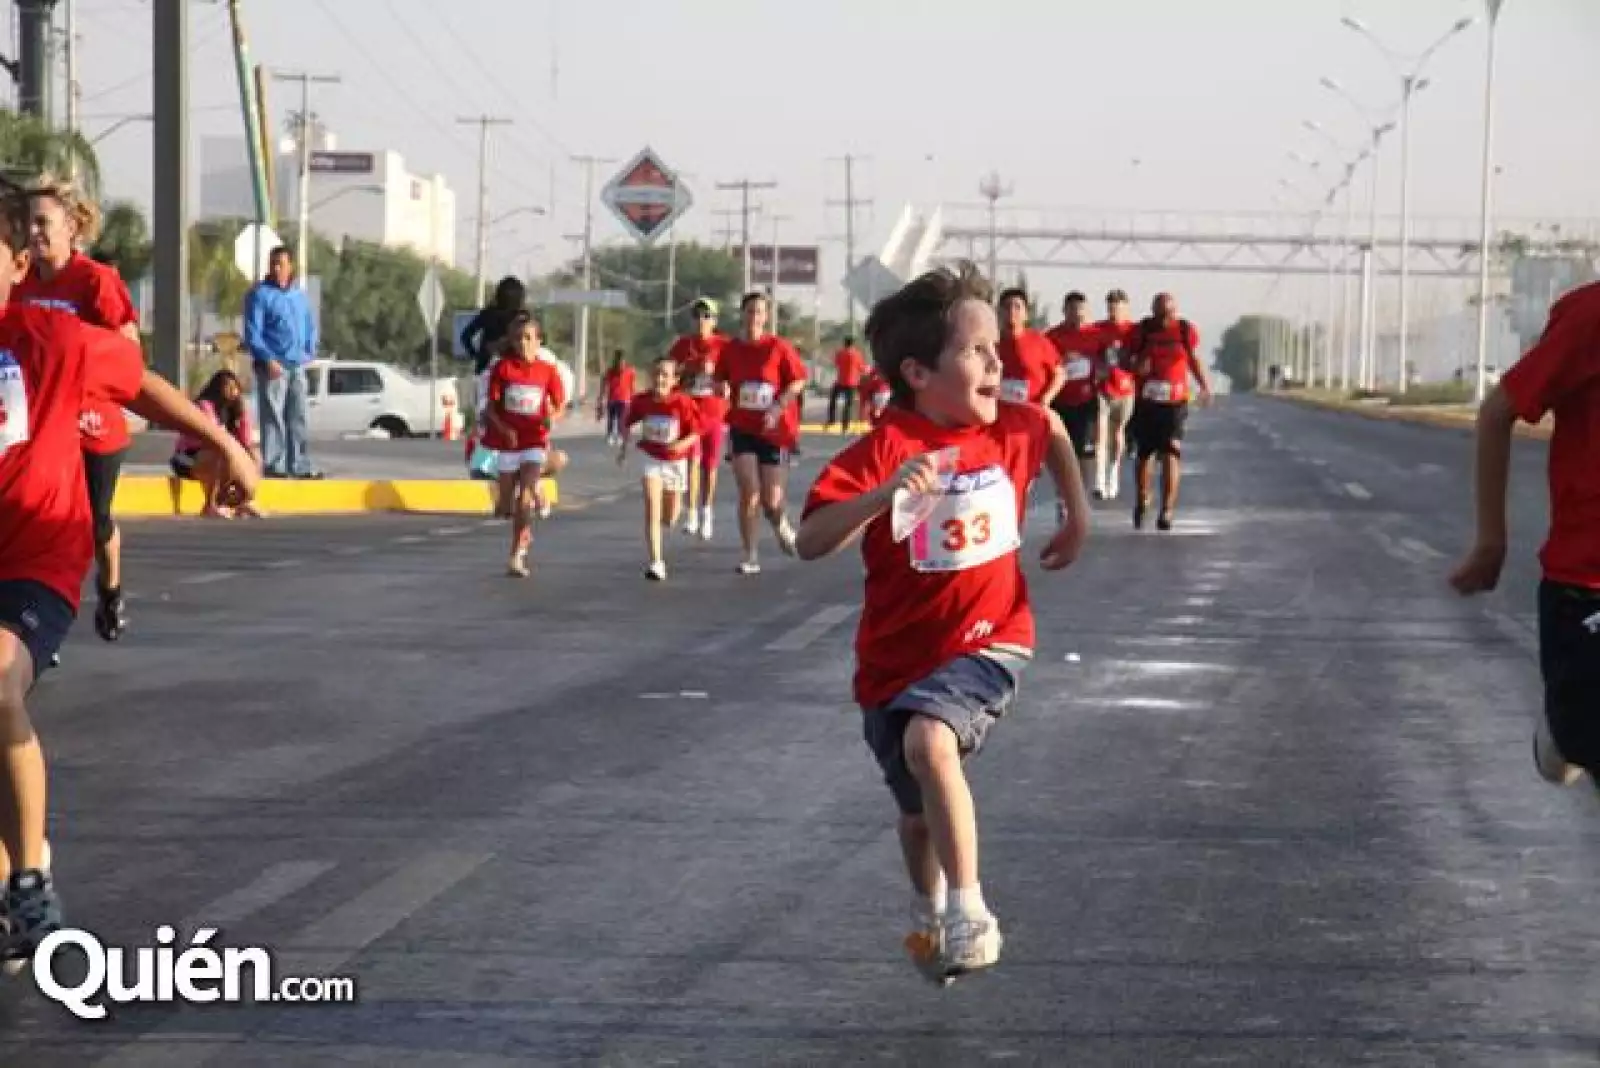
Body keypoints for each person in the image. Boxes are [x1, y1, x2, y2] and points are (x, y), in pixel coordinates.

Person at [796, 262, 1089, 983]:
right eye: (976, 351)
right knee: (917, 812)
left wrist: (1076, 514)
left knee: (932, 743)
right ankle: (929, 915)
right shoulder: (884, 451)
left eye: (997, 348)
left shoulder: (1012, 427)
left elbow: (1051, 426)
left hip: (991, 640)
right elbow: (808, 540)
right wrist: (882, 496)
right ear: (919, 372)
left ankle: (971, 911)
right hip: (894, 661)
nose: (999, 362)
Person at [0, 195, 260, 970]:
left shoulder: (51, 337)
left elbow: (142, 381)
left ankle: (31, 886)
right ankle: (20, 860)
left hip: (34, 560)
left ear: (17, 268)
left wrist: (225, 446)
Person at [1451, 281, 1600, 788]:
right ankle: (1568, 724)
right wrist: (1491, 541)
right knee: (1583, 727)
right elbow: (1498, 411)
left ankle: (1570, 724)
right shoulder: (1590, 316)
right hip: (1586, 587)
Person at [12, 175, 142, 644]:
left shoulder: (95, 281)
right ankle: (36, 627)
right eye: (29, 223)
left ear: (72, 227)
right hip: (43, 426)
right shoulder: (18, 280)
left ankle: (111, 591)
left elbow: (129, 357)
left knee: (94, 523)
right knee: (43, 531)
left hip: (94, 426)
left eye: (44, 222)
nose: (35, 232)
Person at [715, 292, 806, 575]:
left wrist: (779, 406)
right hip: (743, 426)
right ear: (742, 314)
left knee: (772, 500)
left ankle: (780, 524)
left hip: (773, 429)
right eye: (750, 311)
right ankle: (750, 554)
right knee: (749, 491)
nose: (754, 316)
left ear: (766, 317)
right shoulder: (731, 349)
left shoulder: (778, 347)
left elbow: (798, 381)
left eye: (759, 312)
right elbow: (720, 377)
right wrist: (722, 388)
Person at [480, 314, 568, 577]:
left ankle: (517, 554)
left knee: (524, 499)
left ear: (539, 341)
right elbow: (491, 409)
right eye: (518, 338)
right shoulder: (503, 369)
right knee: (505, 508)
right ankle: (529, 492)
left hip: (534, 440)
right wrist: (504, 428)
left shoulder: (547, 371)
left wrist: (551, 418)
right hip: (509, 444)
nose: (524, 343)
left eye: (529, 338)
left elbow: (560, 404)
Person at [1126, 293, 1212, 531]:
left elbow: (1193, 359)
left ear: (1175, 312)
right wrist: (1136, 367)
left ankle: (1167, 509)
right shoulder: (1140, 331)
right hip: (1147, 402)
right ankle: (1143, 498)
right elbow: (1125, 360)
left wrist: (1204, 385)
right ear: (1153, 311)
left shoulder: (1185, 331)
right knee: (1145, 456)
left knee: (1172, 452)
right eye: (1161, 314)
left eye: (1169, 314)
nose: (1166, 319)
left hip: (1175, 403)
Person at [616, 355, 701, 581]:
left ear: (674, 380)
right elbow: (627, 423)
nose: (659, 379)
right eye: (656, 374)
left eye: (665, 375)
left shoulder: (682, 402)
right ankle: (656, 562)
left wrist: (679, 444)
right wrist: (623, 449)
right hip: (650, 457)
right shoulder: (642, 401)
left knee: (670, 518)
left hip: (675, 462)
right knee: (652, 508)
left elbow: (695, 433)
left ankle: (670, 517)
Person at [242, 246, 320, 481]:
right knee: (273, 417)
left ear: (290, 266)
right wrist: (267, 359)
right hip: (273, 367)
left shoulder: (299, 296)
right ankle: (275, 464)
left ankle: (299, 464)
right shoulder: (260, 295)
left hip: (297, 366)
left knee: (298, 416)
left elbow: (309, 327)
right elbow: (252, 332)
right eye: (273, 263)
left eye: (281, 264)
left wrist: (309, 350)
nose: (276, 268)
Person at [670, 297, 730, 540]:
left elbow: (733, 374)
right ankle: (691, 513)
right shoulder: (683, 344)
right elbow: (670, 372)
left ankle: (707, 513)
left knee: (710, 465)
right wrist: (692, 369)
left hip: (714, 411)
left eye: (707, 316)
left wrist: (722, 382)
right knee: (692, 463)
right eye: (697, 316)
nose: (701, 321)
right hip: (690, 411)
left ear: (715, 320)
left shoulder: (724, 345)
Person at [170, 370, 264, 518]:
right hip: (187, 457)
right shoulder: (204, 405)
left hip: (219, 454)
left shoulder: (235, 410)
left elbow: (245, 441)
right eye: (228, 387)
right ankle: (210, 504)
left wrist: (242, 414)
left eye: (236, 388)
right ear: (217, 388)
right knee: (220, 452)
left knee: (254, 455)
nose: (233, 391)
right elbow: (212, 436)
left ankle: (245, 500)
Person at [1045, 291, 1102, 510]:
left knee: (1084, 453)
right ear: (1065, 311)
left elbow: (1109, 362)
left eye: (1081, 310)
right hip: (1061, 402)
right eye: (1072, 310)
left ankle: (1080, 497)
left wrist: (1101, 369)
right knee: (1062, 453)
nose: (1077, 314)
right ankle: (1062, 497)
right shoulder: (1053, 337)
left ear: (1086, 312)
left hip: (1086, 401)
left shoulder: (1096, 335)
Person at [1092, 289, 1139, 500]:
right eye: (1111, 307)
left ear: (1126, 308)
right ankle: (1099, 482)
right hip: (1103, 388)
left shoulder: (1134, 330)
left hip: (1126, 390)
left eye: (1118, 308)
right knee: (1101, 434)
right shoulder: (1099, 329)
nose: (1114, 312)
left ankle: (1113, 476)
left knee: (1118, 434)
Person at [996, 288, 1065, 408]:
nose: (1012, 311)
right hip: (1000, 412)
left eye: (1017, 307)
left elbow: (1060, 375)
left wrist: (1046, 399)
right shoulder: (991, 342)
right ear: (999, 312)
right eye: (1007, 307)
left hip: (1032, 410)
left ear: (1026, 314)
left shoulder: (1039, 341)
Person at [828, 336, 868, 431]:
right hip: (852, 383)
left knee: (833, 401)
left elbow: (836, 364)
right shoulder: (857, 354)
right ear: (853, 344)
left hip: (840, 381)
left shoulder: (840, 353)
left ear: (844, 343)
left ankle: (831, 419)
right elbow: (862, 368)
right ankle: (845, 425)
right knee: (848, 405)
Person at [598, 350, 636, 446]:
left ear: (625, 361)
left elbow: (632, 386)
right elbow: (604, 384)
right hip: (612, 399)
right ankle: (610, 435)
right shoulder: (610, 372)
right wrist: (601, 398)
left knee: (621, 419)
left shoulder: (630, 371)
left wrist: (633, 399)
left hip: (625, 399)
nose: (621, 364)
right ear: (616, 361)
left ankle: (620, 435)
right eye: (619, 362)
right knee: (611, 419)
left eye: (622, 362)